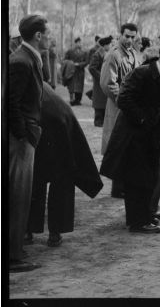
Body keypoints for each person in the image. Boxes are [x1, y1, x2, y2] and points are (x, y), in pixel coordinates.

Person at [100, 43, 160, 234]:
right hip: (134, 137)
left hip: (151, 137)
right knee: (136, 180)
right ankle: (137, 222)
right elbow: (124, 99)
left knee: (149, 178)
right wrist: (143, 119)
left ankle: (146, 215)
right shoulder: (141, 73)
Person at [25, 83, 103, 247]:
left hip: (54, 123)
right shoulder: (25, 68)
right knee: (48, 178)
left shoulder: (14, 70)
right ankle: (45, 232)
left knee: (50, 178)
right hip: (53, 119)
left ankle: (38, 231)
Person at [8, 14, 50, 272]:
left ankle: (15, 249)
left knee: (20, 195)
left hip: (25, 136)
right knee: (17, 195)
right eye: (48, 32)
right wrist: (24, 135)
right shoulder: (21, 61)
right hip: (20, 140)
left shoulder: (27, 58)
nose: (50, 37)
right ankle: (12, 256)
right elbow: (10, 103)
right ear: (38, 35)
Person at [100, 23, 142, 198]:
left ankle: (123, 185)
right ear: (120, 35)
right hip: (118, 108)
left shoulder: (134, 55)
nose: (129, 40)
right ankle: (117, 188)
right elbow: (108, 84)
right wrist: (124, 101)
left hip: (130, 108)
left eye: (133, 37)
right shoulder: (113, 55)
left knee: (128, 146)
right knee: (117, 144)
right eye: (127, 36)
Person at [88, 36, 113, 127]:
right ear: (105, 45)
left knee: (103, 102)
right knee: (99, 102)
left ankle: (101, 121)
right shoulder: (97, 54)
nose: (110, 46)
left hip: (104, 82)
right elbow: (92, 68)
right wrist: (101, 76)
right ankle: (98, 121)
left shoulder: (105, 53)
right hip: (99, 83)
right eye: (109, 44)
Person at [63, 38, 88, 106]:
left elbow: (86, 62)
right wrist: (71, 63)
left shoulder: (84, 52)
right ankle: (72, 100)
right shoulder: (70, 51)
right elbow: (65, 60)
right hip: (72, 71)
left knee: (80, 86)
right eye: (78, 42)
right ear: (75, 43)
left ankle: (78, 100)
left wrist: (79, 64)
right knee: (72, 86)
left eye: (80, 42)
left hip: (80, 71)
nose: (79, 44)